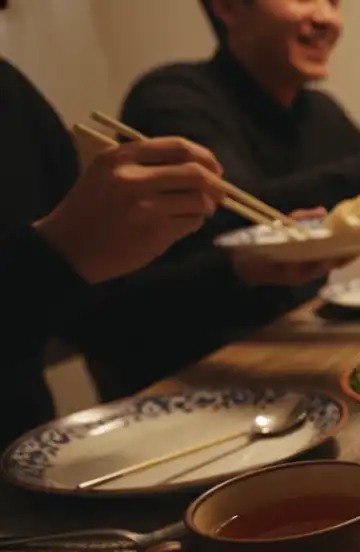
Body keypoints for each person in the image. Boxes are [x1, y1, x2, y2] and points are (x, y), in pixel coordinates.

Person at [64, 0, 360, 400]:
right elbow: (240, 215)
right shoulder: (174, 96)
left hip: (288, 359)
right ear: (227, 6)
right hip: (181, 378)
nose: (326, 16)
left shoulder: (318, 112)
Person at [0, 58, 224, 443]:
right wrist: (53, 255)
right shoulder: (172, 95)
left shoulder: (9, 91)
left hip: (30, 466)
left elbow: (102, 321)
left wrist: (243, 268)